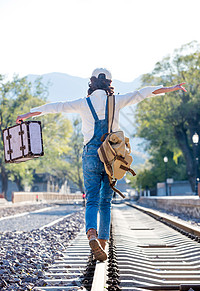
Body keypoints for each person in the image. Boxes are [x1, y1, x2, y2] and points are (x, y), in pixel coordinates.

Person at [16, 68, 187, 261]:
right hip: (111, 157)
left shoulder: (83, 103)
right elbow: (143, 93)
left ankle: (91, 234)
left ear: (92, 82)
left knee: (92, 200)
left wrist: (27, 114)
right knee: (106, 202)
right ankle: (103, 245)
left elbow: (56, 106)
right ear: (109, 83)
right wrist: (171, 88)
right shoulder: (117, 101)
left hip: (90, 155)